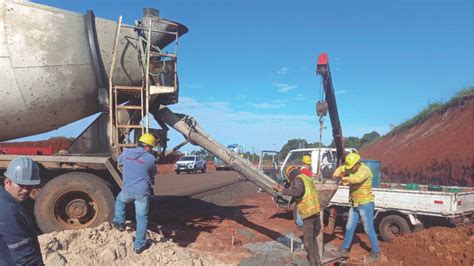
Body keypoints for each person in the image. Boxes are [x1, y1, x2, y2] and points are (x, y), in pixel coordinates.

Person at [112, 133, 158, 254]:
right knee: (142, 218)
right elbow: (153, 173)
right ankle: (139, 245)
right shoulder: (151, 158)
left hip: (127, 190)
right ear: (147, 147)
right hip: (142, 193)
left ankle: (119, 221)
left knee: (120, 200)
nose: (152, 150)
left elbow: (119, 161)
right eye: (152, 147)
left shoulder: (127, 152)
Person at [333, 152, 380, 261]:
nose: (350, 169)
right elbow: (342, 168)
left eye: (351, 167)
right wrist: (337, 174)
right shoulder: (351, 167)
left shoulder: (365, 170)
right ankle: (344, 249)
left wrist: (343, 179)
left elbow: (355, 179)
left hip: (365, 204)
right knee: (349, 227)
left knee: (368, 228)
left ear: (357, 164)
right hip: (354, 204)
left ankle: (376, 252)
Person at [273, 166, 321, 266]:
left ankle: (313, 263)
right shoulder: (306, 178)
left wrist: (281, 190)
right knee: (313, 239)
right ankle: (317, 262)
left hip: (308, 213)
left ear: (290, 174)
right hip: (315, 211)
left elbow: (298, 192)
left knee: (308, 242)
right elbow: (303, 193)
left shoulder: (297, 179)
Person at [0, 156, 44, 265]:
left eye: (29, 186)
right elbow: (24, 254)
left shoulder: (13, 200)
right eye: (20, 185)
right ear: (7, 182)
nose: (25, 190)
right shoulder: (9, 211)